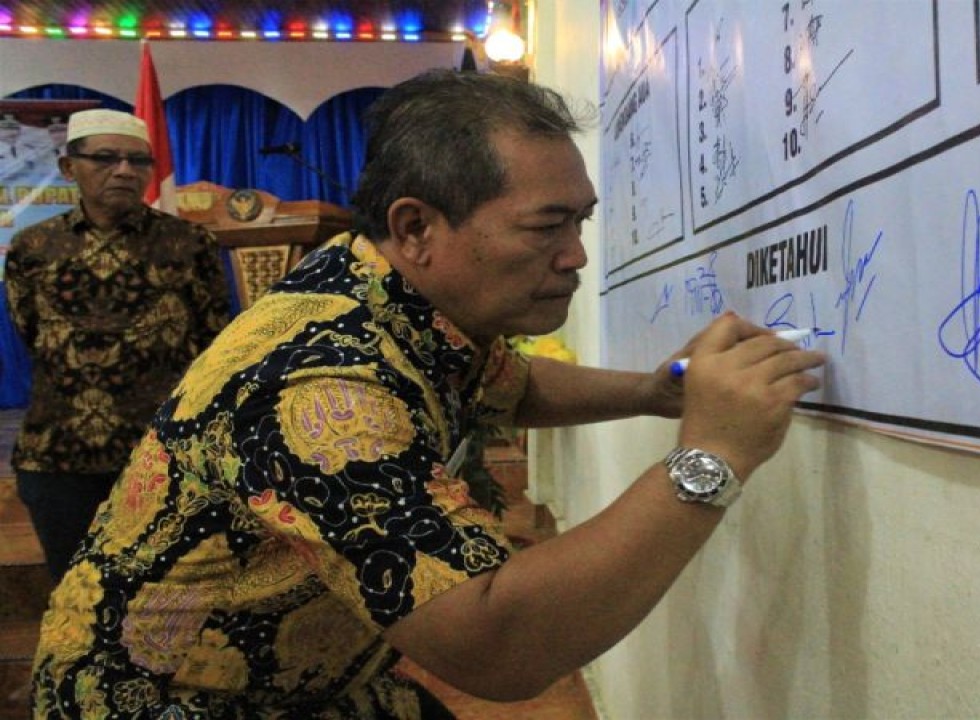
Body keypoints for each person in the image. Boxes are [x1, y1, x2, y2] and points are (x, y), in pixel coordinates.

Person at [30, 70, 826, 718]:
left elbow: (509, 385)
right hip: (174, 701)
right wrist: (709, 457)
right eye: (546, 226)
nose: (576, 256)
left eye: (580, 222)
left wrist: (655, 391)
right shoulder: (322, 390)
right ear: (415, 227)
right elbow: (499, 645)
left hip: (318, 676)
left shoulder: (381, 287)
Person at [3, 108, 232, 582]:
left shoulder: (189, 243)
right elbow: (31, 332)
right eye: (105, 158)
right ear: (70, 168)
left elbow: (213, 341)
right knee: (75, 595)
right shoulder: (32, 247)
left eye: (137, 161)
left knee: (161, 597)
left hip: (161, 457)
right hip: (59, 456)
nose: (124, 171)